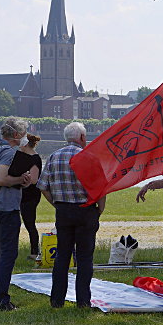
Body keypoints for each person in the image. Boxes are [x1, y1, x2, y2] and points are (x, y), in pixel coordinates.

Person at [38, 122, 106, 308]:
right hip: (86, 211)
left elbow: (43, 186)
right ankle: (83, 301)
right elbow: (101, 187)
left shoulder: (54, 156)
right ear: (82, 137)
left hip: (64, 211)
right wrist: (100, 209)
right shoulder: (88, 157)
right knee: (84, 258)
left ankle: (57, 300)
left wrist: (57, 203)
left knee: (62, 256)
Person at [0, 117, 33, 311]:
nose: (25, 137)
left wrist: (20, 179)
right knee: (7, 254)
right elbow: (1, 179)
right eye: (24, 133)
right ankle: (2, 299)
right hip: (6, 207)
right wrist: (21, 178)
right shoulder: (8, 152)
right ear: (16, 135)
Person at [9, 133, 43, 260]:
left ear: (24, 144)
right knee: (14, 222)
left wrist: (21, 179)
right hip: (19, 193)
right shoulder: (20, 156)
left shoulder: (35, 158)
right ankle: (12, 249)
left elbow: (34, 180)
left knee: (29, 223)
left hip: (30, 195)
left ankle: (35, 251)